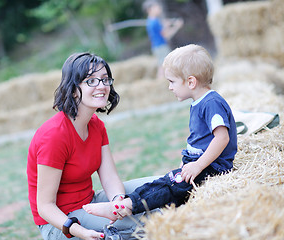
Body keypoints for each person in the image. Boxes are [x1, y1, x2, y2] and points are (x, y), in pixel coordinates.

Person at [82, 44, 238, 222]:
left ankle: (125, 207)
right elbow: (199, 140)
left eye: (172, 82)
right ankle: (125, 203)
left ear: (191, 82)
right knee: (161, 183)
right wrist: (188, 161)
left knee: (169, 187)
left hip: (213, 168)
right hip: (201, 164)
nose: (170, 87)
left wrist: (198, 165)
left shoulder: (211, 103)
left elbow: (222, 137)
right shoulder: (200, 102)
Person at [27, 52, 159, 240]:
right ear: (73, 89)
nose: (102, 86)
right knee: (149, 219)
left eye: (105, 80)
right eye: (91, 81)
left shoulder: (96, 125)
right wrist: (79, 232)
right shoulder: (54, 135)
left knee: (161, 188)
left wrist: (118, 203)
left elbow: (110, 177)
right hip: (61, 223)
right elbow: (45, 206)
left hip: (91, 202)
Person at [143, 0, 183, 79]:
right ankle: (160, 84)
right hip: (161, 47)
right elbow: (166, 35)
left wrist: (166, 25)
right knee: (163, 67)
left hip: (157, 47)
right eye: (156, 7)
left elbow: (161, 31)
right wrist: (177, 26)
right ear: (150, 9)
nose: (159, 8)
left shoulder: (152, 21)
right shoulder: (155, 22)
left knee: (162, 66)